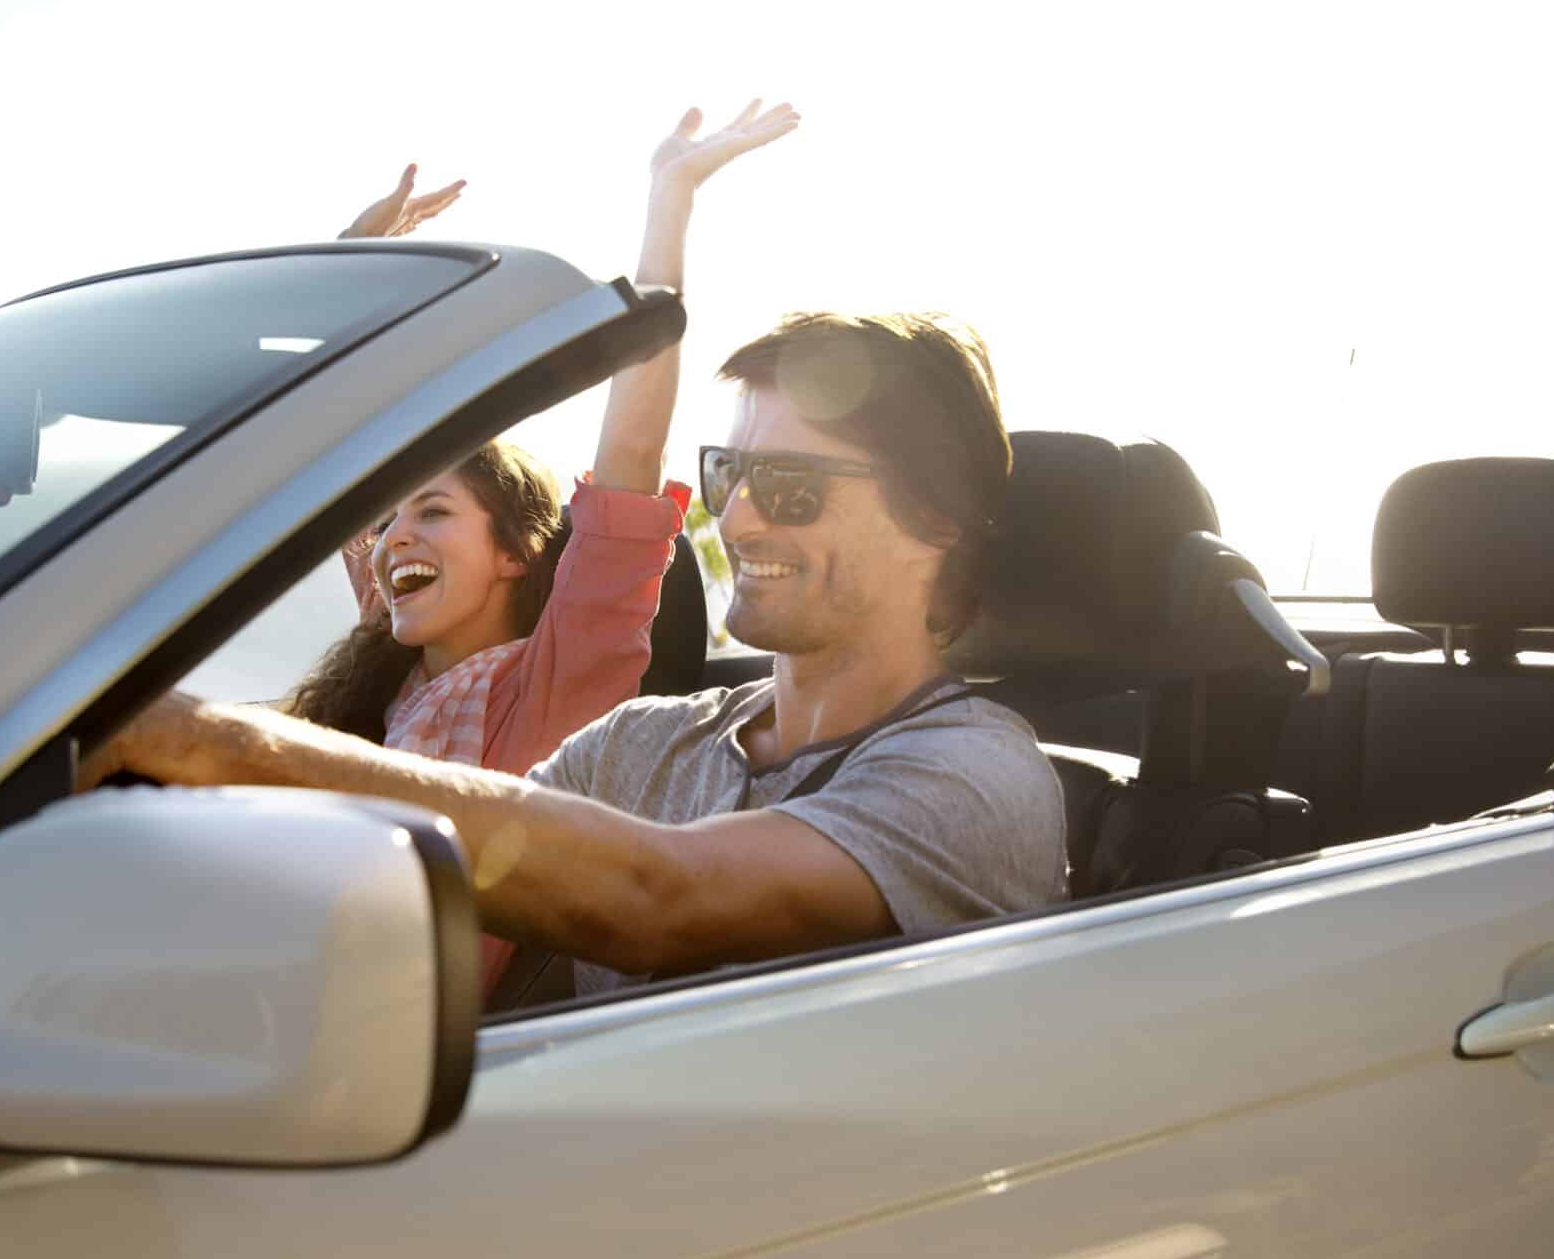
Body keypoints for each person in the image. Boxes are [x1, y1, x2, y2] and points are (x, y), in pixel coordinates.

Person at [85, 309, 1069, 992]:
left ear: (933, 520)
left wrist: (203, 742)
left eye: (794, 486)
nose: (742, 518)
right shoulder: (638, 746)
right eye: (728, 473)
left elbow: (661, 897)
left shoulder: (972, 777)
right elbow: (428, 871)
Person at [294, 102, 801, 993]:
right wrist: (349, 277)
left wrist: (668, 201)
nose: (394, 537)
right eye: (388, 524)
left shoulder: (556, 690)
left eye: (435, 512)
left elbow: (632, 456)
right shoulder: (390, 665)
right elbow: (332, 450)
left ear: (515, 554)